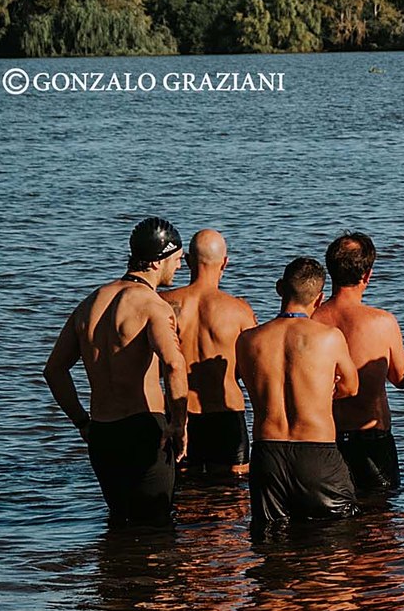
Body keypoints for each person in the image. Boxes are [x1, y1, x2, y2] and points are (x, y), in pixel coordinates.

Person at [44, 217, 192, 525]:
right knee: (156, 529)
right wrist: (179, 424)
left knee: (120, 524)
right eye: (177, 260)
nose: (180, 267)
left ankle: (114, 574)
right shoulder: (152, 305)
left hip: (102, 433)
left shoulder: (90, 303)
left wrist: (82, 422)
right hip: (144, 429)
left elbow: (54, 370)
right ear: (157, 261)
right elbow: (175, 364)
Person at [238, 256, 363, 538]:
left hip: (267, 452)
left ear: (279, 288)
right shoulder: (329, 337)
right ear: (319, 299)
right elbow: (352, 387)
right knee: (337, 539)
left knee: (270, 543)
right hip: (316, 451)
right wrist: (320, 395)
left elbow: (248, 381)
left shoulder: (248, 340)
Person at [313, 232, 404, 497]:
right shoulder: (382, 322)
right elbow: (402, 379)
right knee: (380, 522)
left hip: (326, 439)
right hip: (372, 441)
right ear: (367, 275)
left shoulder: (310, 321)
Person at [159, 228, 257, 473]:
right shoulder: (239, 311)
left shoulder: (162, 304)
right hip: (227, 415)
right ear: (225, 263)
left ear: (189, 260)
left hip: (179, 413)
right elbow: (254, 371)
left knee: (184, 501)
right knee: (233, 502)